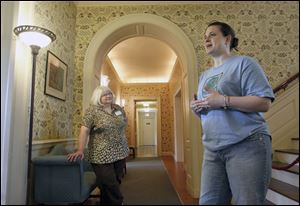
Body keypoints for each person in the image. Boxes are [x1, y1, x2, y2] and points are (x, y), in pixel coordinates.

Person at [190, 21, 275, 205]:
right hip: (213, 149)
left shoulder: (244, 63)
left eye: (212, 34)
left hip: (247, 144)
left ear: (227, 39)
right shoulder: (204, 75)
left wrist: (223, 100)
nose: (206, 38)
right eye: (205, 36)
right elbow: (212, 112)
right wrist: (199, 109)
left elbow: (264, 102)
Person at [68, 85, 129, 205]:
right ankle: (119, 202)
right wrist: (80, 149)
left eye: (109, 93)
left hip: (121, 151)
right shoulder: (92, 111)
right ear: (98, 97)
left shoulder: (118, 108)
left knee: (114, 181)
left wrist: (123, 123)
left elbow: (124, 121)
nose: (108, 96)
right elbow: (84, 130)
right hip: (101, 153)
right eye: (104, 94)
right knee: (108, 182)